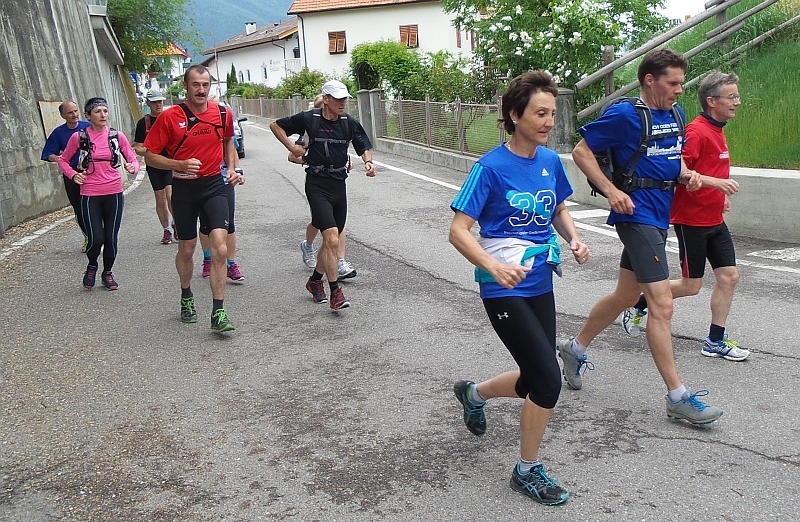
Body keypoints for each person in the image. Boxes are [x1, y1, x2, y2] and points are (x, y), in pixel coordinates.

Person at [559, 48, 724, 425]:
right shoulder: (624, 114)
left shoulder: (675, 113)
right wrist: (612, 191)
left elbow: (670, 155)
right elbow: (582, 151)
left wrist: (685, 173)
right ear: (650, 80)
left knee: (626, 294)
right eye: (673, 83)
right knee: (661, 304)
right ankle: (677, 397)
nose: (680, 90)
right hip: (636, 216)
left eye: (682, 83)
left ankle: (575, 347)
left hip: (659, 214)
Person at [450, 71, 589, 505]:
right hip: (502, 287)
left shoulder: (549, 161)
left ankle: (473, 394)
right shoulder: (490, 167)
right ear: (515, 115)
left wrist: (574, 238)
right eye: (539, 113)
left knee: (535, 376)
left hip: (539, 282)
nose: (549, 121)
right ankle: (526, 471)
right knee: (548, 380)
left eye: (552, 113)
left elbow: (559, 208)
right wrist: (493, 265)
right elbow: (458, 230)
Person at [621, 71, 749, 362]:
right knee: (692, 286)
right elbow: (680, 173)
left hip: (714, 218)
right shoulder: (695, 131)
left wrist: (721, 196)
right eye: (732, 97)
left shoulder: (718, 128)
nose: (737, 102)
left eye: (737, 96)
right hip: (691, 222)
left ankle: (715, 341)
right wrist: (717, 185)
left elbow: (709, 170)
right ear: (711, 101)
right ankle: (642, 302)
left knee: (729, 277)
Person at [142, 65, 243, 333]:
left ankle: (218, 312)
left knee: (221, 248)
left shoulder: (222, 112)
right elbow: (150, 155)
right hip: (184, 189)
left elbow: (228, 142)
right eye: (196, 85)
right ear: (185, 87)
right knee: (187, 249)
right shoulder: (169, 117)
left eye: (206, 85)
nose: (201, 90)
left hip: (214, 185)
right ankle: (186, 295)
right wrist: (178, 164)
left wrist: (232, 169)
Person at [270, 80, 376, 310]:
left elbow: (362, 143)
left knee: (331, 240)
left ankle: (315, 280)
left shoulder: (348, 123)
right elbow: (275, 125)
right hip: (316, 184)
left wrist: (368, 162)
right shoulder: (310, 119)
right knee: (332, 239)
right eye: (337, 99)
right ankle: (335, 292)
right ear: (325, 99)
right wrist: (291, 147)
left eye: (344, 99)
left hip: (339, 184)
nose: (342, 103)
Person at [57, 97, 138, 290]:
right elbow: (63, 160)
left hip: (114, 192)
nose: (103, 115)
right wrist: (73, 174)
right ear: (88, 115)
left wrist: (131, 167)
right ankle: (92, 265)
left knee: (110, 237)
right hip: (90, 193)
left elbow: (133, 159)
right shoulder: (79, 137)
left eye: (105, 111)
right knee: (96, 238)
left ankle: (107, 273)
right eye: (97, 111)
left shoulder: (116, 136)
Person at [293, 94, 357, 280]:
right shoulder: (309, 128)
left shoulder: (341, 127)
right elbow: (292, 156)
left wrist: (346, 162)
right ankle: (308, 245)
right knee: (318, 223)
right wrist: (311, 160)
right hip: (317, 183)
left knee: (336, 227)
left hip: (336, 182)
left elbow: (342, 151)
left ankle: (340, 261)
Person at [41, 101, 91, 252]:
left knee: (94, 205)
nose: (74, 115)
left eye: (76, 111)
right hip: (71, 173)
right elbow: (48, 154)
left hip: (91, 172)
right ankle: (88, 236)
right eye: (70, 112)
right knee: (79, 206)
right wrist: (58, 158)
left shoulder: (88, 127)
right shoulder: (58, 133)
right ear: (63, 115)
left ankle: (99, 235)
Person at [200, 127, 244, 284]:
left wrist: (238, 171)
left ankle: (231, 264)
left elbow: (232, 149)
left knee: (229, 223)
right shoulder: (199, 129)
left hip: (224, 180)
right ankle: (207, 259)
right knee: (206, 225)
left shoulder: (223, 123)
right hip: (202, 181)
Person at [133, 89, 175, 245]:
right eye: (155, 102)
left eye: (160, 101)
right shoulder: (143, 123)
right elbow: (138, 147)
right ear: (148, 103)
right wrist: (148, 150)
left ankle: (176, 223)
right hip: (153, 165)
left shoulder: (169, 119)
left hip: (170, 163)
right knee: (160, 198)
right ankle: (166, 230)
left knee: (171, 196)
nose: (158, 105)